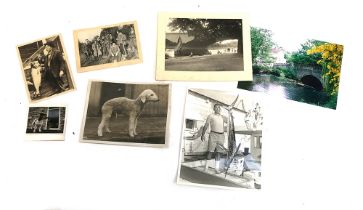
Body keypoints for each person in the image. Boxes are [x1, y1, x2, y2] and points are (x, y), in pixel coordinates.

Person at [201, 103, 228, 173]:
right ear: (214, 109)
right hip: (213, 135)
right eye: (217, 107)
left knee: (219, 152)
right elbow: (206, 125)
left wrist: (230, 113)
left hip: (221, 136)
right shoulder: (211, 116)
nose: (218, 109)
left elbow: (230, 121)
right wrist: (202, 134)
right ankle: (206, 168)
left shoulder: (223, 117)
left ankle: (217, 168)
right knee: (210, 151)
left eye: (219, 108)